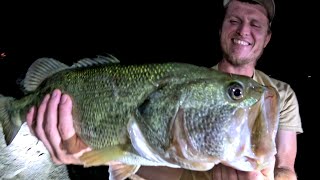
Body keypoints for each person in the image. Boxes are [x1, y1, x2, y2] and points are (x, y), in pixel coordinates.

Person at [26, 0, 303, 179]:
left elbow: (285, 166)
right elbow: (159, 161)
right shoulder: (187, 86)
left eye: (255, 23)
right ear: (221, 28)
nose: (244, 30)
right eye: (234, 20)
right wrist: (84, 152)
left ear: (267, 37)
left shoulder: (281, 94)